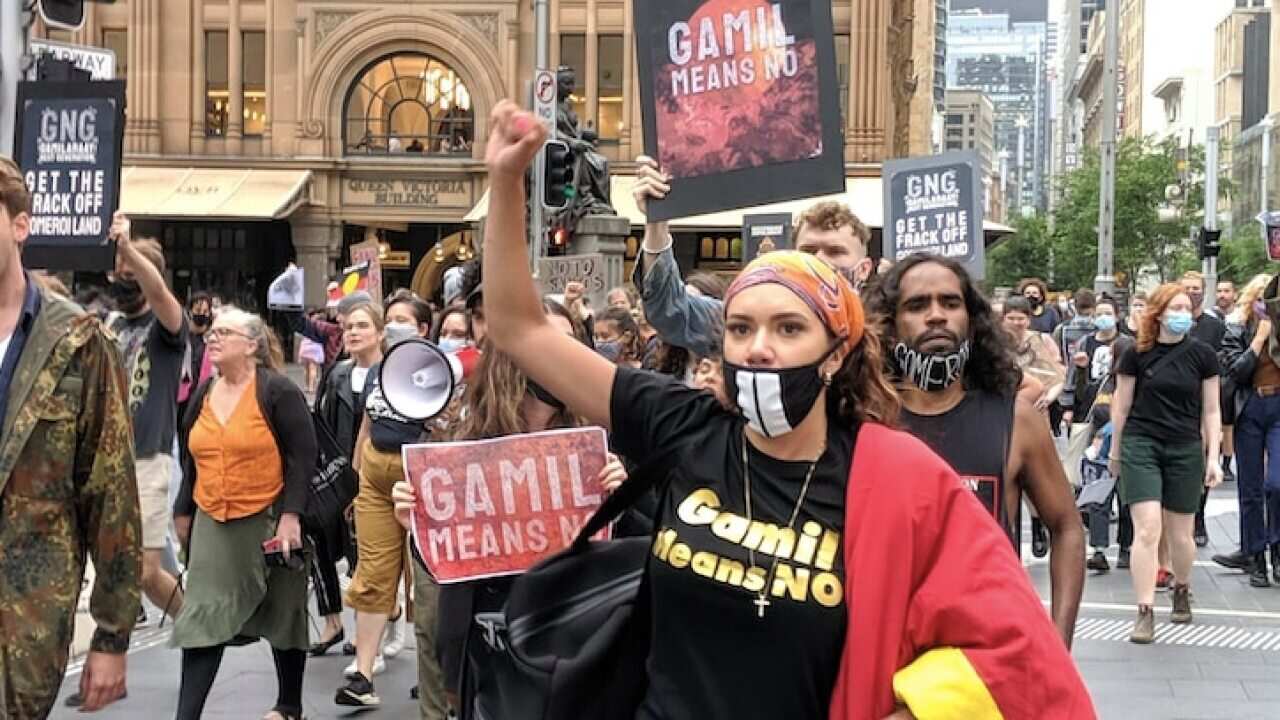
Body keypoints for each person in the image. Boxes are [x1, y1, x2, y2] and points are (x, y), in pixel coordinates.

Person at [466, 100, 1094, 719]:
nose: (759, 347)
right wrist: (507, 178)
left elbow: (1012, 650)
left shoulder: (893, 474)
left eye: (789, 328)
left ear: (835, 352)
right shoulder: (682, 423)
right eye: (741, 328)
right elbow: (520, 329)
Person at [400, 299, 610, 718]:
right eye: (544, 343)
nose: (559, 357)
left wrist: (622, 500)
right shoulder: (464, 444)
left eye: (568, 344)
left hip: (577, 651)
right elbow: (448, 569)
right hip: (489, 651)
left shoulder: (603, 437)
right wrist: (420, 526)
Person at [863, 254, 1084, 646]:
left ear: (971, 319)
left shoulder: (1016, 420)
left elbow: (1066, 527)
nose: (936, 315)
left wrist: (1057, 645)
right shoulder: (864, 420)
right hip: (887, 648)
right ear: (890, 324)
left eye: (950, 303)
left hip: (987, 652)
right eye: (917, 305)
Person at [0, 158, 140, 716]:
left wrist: (111, 635)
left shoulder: (78, 342)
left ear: (20, 226)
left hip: (26, 616)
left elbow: (112, 493)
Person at [170, 308, 315, 720]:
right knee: (202, 615)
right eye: (211, 333)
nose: (212, 338)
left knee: (284, 609)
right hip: (213, 516)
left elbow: (303, 456)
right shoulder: (204, 392)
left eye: (224, 333)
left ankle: (289, 705)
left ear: (251, 345)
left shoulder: (278, 391)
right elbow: (191, 458)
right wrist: (183, 509)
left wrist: (291, 516)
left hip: (270, 516)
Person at [628, 156, 875, 358]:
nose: (820, 260)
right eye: (808, 251)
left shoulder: (887, 335)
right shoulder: (751, 323)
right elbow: (671, 311)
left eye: (835, 251)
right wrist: (657, 221)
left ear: (864, 269)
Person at [1108, 283, 1223, 643]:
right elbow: (1121, 406)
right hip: (1141, 443)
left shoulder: (1203, 356)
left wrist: (1214, 457)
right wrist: (1115, 452)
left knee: (1181, 535)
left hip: (1185, 446)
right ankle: (1144, 610)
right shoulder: (1134, 353)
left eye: (1187, 308)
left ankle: (1181, 586)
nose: (1183, 315)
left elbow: (1212, 410)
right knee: (1147, 529)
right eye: (1176, 308)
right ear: (1158, 313)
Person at [335, 299, 433, 708]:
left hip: (421, 473)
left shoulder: (439, 369)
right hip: (376, 472)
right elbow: (367, 424)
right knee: (373, 570)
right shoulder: (380, 369)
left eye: (402, 321)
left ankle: (432, 675)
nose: (393, 327)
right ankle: (363, 674)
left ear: (423, 329)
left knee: (425, 577)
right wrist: (354, 479)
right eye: (389, 320)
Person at [106, 212, 189, 628]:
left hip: (148, 457)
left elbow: (159, 294)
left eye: (130, 274)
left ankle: (194, 626)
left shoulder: (167, 326)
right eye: (117, 273)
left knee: (145, 570)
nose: (122, 281)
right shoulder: (112, 324)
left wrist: (127, 248)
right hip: (109, 461)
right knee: (118, 568)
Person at [310, 300, 385, 657]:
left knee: (362, 551)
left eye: (362, 326)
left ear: (380, 333)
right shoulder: (337, 373)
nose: (353, 333)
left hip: (372, 472)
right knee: (321, 539)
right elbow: (320, 418)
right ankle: (332, 622)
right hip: (334, 470)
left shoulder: (390, 373)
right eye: (349, 327)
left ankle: (364, 628)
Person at [1214, 273, 1280, 586]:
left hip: (1278, 407)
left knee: (1276, 484)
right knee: (1250, 489)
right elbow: (1235, 372)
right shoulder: (1237, 329)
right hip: (1250, 406)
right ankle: (1255, 557)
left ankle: (1277, 549)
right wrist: (1258, 341)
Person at [1181, 271, 1227, 547]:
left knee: (1204, 460)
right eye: (1187, 288)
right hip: (1176, 405)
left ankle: (1198, 514)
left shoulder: (1214, 327)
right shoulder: (1169, 325)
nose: (1192, 292)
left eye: (1196, 288)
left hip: (1204, 403)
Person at [1061, 297, 1122, 487]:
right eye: (1099, 314)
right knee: (1088, 460)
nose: (1104, 318)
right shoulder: (1085, 342)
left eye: (1108, 314)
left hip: (1116, 408)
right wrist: (1068, 406)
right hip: (1088, 409)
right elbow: (1072, 377)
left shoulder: (1126, 343)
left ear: (1117, 316)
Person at [1002, 296, 1067, 413]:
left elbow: (1058, 378)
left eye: (1020, 318)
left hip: (1039, 406)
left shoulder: (1042, 340)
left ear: (1028, 320)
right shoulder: (995, 342)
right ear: (1003, 319)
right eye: (1011, 318)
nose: (1016, 323)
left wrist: (1048, 399)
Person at [297, 308, 327, 394]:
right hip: (315, 345)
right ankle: (311, 387)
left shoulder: (306, 323)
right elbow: (322, 335)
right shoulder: (320, 323)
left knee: (306, 368)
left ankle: (307, 386)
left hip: (305, 344)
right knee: (313, 368)